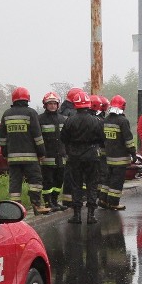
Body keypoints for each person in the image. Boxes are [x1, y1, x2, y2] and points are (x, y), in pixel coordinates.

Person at [0, 86, 50, 215]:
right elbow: (37, 136)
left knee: (15, 183)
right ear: (27, 99)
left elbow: (3, 138)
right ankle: (36, 205)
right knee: (35, 181)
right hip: (30, 157)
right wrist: (42, 152)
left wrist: (5, 153)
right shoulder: (31, 113)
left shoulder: (6, 114)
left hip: (13, 157)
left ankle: (15, 209)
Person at [60, 90, 105, 224]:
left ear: (75, 105)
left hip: (74, 157)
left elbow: (63, 138)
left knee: (76, 186)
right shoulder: (96, 121)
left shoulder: (69, 120)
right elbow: (102, 140)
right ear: (88, 105)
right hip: (92, 156)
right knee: (92, 185)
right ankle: (91, 215)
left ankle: (77, 215)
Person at [100, 95, 138, 210]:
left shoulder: (105, 120)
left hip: (108, 157)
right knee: (117, 182)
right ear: (123, 106)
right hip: (120, 158)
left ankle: (103, 199)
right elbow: (128, 140)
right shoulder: (123, 121)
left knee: (107, 179)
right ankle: (114, 203)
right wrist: (133, 153)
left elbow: (102, 138)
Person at [38, 91, 68, 212]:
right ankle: (48, 202)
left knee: (59, 181)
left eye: (54, 103)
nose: (52, 106)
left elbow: (67, 137)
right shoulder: (40, 119)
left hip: (61, 157)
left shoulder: (63, 119)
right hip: (47, 157)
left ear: (58, 105)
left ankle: (55, 201)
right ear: (45, 105)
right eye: (49, 103)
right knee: (47, 181)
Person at [59, 87, 82, 209]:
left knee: (68, 174)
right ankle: (73, 199)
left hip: (65, 148)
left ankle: (67, 200)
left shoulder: (62, 110)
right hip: (73, 148)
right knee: (74, 175)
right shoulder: (73, 112)